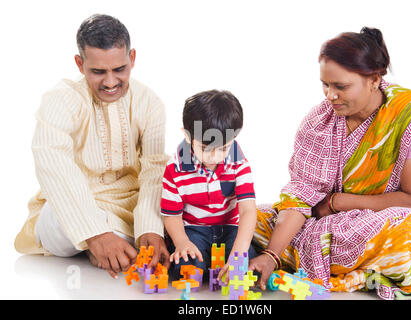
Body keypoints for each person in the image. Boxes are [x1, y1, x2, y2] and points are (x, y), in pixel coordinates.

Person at [249, 27, 411, 299]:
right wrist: (271, 254)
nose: (329, 95)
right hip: (326, 224)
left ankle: (329, 265)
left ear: (374, 79)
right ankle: (359, 270)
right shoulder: (320, 121)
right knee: (250, 218)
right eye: (325, 84)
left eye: (340, 87)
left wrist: (339, 202)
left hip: (388, 221)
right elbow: (299, 196)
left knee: (410, 232)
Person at [14, 14, 170, 279]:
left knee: (176, 217)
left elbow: (154, 171)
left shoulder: (150, 103)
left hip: (127, 210)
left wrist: (150, 228)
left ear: (132, 59)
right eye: (98, 71)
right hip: (74, 201)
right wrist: (95, 232)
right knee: (60, 218)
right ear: (80, 63)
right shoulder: (60, 100)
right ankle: (98, 242)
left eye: (119, 69)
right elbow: (53, 164)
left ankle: (109, 244)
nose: (110, 82)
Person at [161, 90, 257, 281]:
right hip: (193, 230)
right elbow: (171, 214)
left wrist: (239, 250)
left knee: (245, 265)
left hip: (229, 228)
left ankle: (219, 265)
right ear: (188, 136)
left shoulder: (239, 162)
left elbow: (248, 209)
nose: (215, 157)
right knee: (187, 268)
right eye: (205, 149)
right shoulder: (175, 168)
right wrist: (181, 242)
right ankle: (205, 265)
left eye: (223, 148)